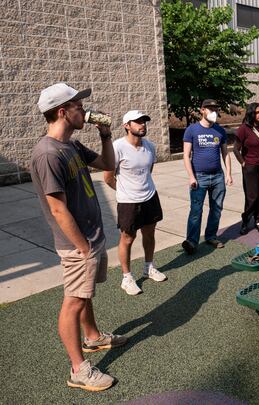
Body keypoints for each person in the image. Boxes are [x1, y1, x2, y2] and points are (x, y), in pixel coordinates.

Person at [30, 83, 127, 391]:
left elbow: (108, 165)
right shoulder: (47, 154)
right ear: (62, 112)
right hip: (77, 245)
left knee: (84, 295)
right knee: (73, 301)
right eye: (77, 106)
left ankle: (94, 337)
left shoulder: (70, 146)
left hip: (90, 237)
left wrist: (106, 134)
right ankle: (78, 370)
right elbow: (58, 210)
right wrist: (83, 248)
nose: (83, 110)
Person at [103, 110, 167, 296]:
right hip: (128, 202)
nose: (142, 125)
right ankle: (126, 277)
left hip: (150, 197)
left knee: (149, 233)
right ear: (126, 126)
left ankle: (149, 267)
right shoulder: (117, 147)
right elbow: (108, 177)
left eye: (144, 122)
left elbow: (148, 171)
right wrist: (125, 191)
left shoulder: (150, 146)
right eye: (137, 122)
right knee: (128, 239)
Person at [181, 99, 233, 254]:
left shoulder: (220, 131)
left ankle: (211, 236)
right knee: (196, 211)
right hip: (199, 177)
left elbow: (225, 153)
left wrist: (228, 174)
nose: (214, 112)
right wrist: (191, 177)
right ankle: (191, 241)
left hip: (217, 177)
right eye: (210, 109)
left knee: (216, 209)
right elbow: (186, 155)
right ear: (202, 110)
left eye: (216, 109)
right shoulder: (192, 130)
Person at [233, 102, 259, 235]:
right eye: (257, 112)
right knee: (252, 196)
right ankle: (246, 220)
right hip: (250, 166)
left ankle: (258, 219)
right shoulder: (244, 129)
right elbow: (235, 149)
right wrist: (243, 163)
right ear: (251, 113)